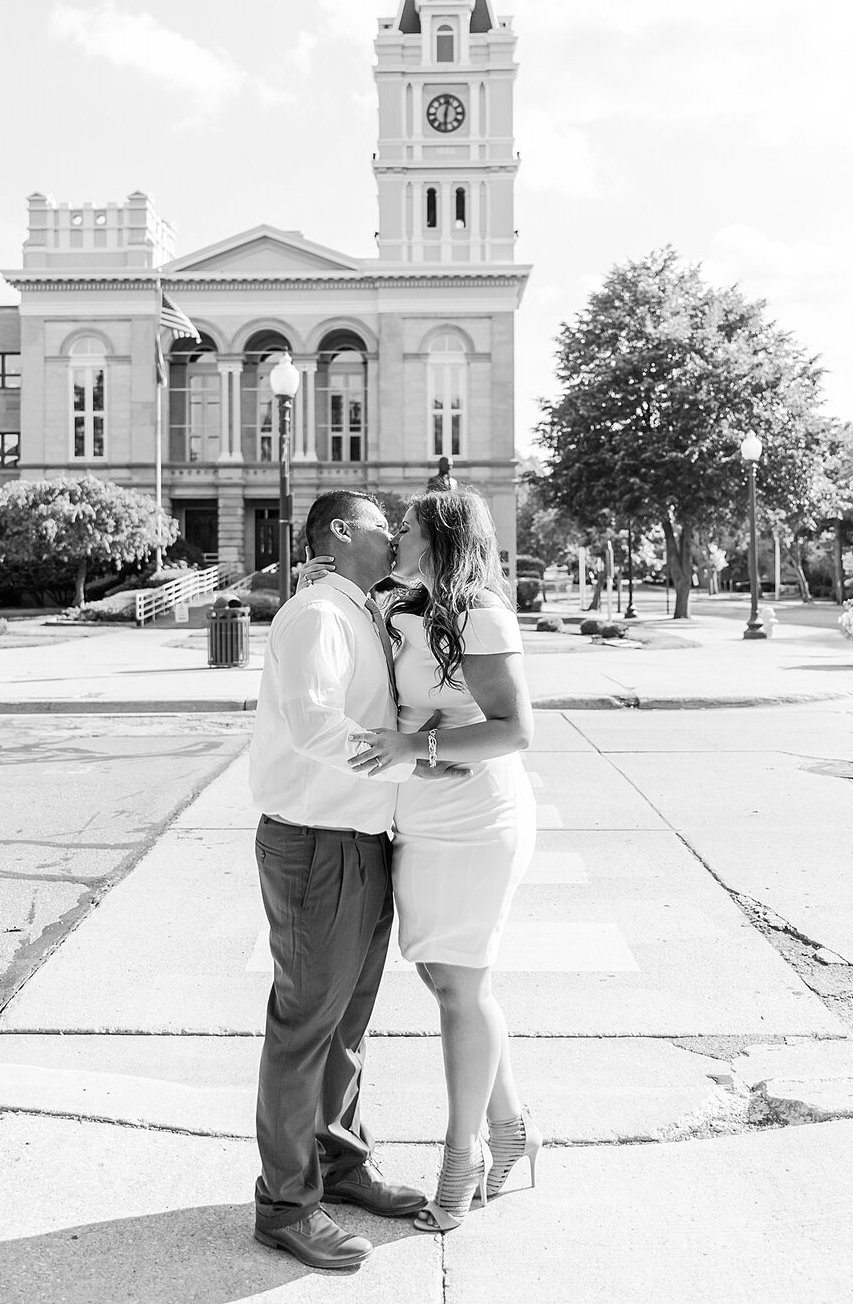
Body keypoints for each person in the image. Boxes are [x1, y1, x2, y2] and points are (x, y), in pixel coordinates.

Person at [311, 489, 540, 1232]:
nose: (396, 534)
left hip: (476, 818)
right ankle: (511, 1130)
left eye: (405, 527)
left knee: (459, 987)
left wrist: (421, 744)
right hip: (422, 813)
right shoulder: (409, 606)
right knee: (452, 979)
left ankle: (462, 1154)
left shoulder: (480, 611)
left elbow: (514, 730)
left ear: (440, 538)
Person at [248, 489, 426, 1272]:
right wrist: (410, 753)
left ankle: (342, 1167)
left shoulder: (353, 604)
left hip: (360, 839)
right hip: (317, 842)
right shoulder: (319, 612)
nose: (394, 539)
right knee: (305, 1028)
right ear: (344, 533)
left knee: (345, 1028)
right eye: (385, 528)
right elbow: (315, 720)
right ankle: (287, 1205)